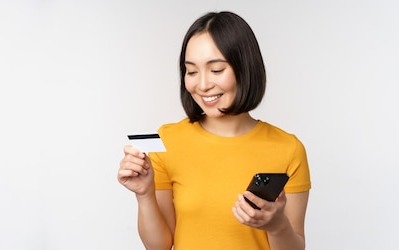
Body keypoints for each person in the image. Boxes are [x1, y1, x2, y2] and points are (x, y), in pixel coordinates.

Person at [118, 11, 311, 250]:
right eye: (191, 71)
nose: (202, 85)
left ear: (245, 68)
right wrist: (144, 195)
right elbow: (159, 246)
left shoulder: (288, 148)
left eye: (217, 70)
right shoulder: (167, 140)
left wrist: (277, 225)